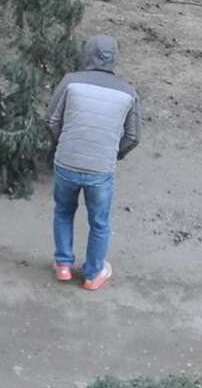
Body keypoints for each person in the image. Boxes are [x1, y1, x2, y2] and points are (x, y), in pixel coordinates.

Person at [44, 33, 141, 290]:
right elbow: (133, 136)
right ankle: (93, 274)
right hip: (100, 169)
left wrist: (60, 144)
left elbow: (51, 121)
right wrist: (115, 154)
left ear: (86, 54)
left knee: (64, 211)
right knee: (99, 222)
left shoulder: (70, 82)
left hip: (66, 163)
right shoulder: (128, 92)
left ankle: (63, 264)